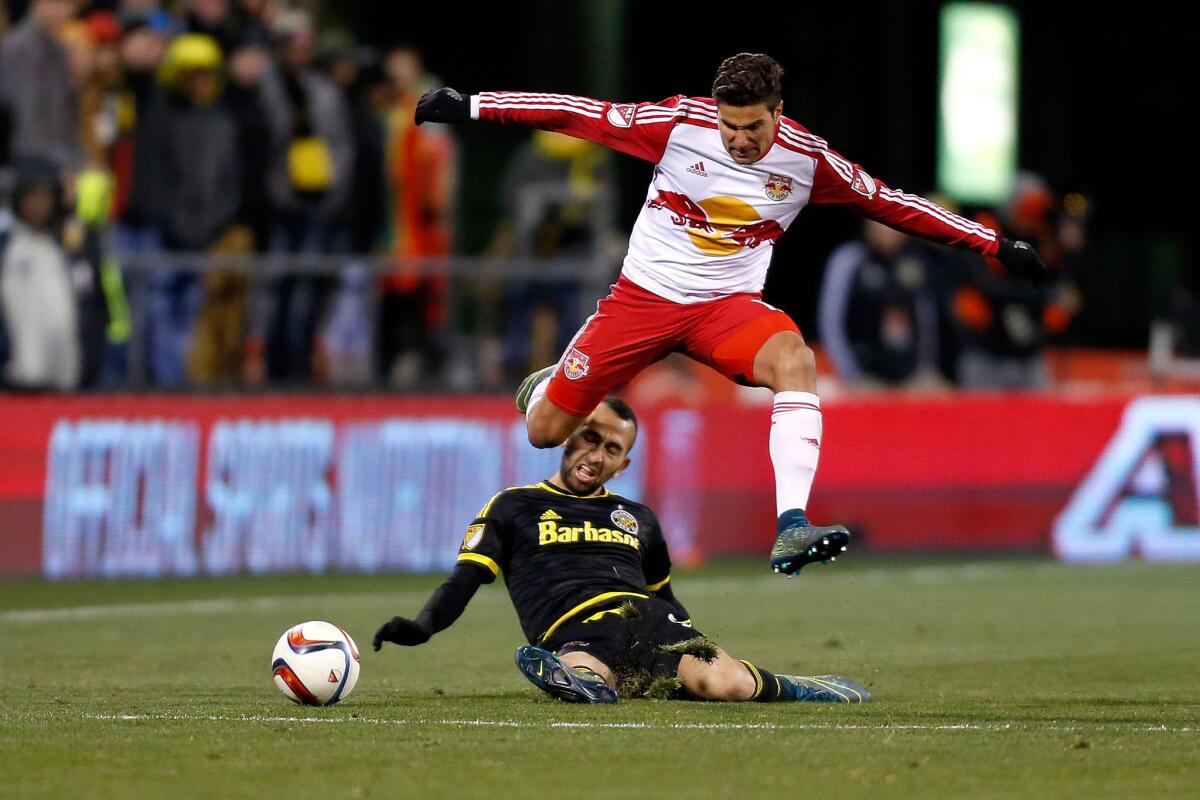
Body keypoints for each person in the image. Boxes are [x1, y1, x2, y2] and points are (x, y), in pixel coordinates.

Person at [413, 53, 1049, 574]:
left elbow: (891, 203)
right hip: (644, 300)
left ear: (778, 111)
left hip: (727, 309)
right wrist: (471, 104)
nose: (740, 141)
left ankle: (792, 524)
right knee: (546, 431)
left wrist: (993, 243)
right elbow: (578, 116)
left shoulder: (809, 161)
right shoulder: (677, 124)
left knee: (795, 361)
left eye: (753, 128)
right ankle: (545, 388)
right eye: (730, 127)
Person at [373, 397, 869, 705]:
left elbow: (667, 596)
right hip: (575, 623)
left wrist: (689, 642)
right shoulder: (512, 506)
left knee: (724, 685)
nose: (596, 455)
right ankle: (577, 679)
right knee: (588, 671)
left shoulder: (639, 518)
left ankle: (800, 685)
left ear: (623, 462)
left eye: (612, 450)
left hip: (649, 620)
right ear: (569, 437)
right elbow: (464, 580)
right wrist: (422, 627)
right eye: (591, 439)